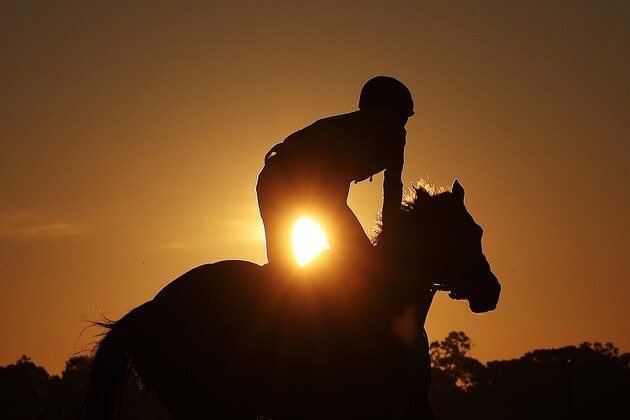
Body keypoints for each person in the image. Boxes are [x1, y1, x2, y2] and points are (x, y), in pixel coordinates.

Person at [256, 76, 414, 268]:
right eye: (405, 115)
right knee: (365, 263)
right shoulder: (392, 128)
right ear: (398, 111)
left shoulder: (350, 124)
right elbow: (392, 189)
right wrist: (390, 238)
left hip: (271, 178)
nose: (405, 122)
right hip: (301, 183)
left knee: (281, 269)